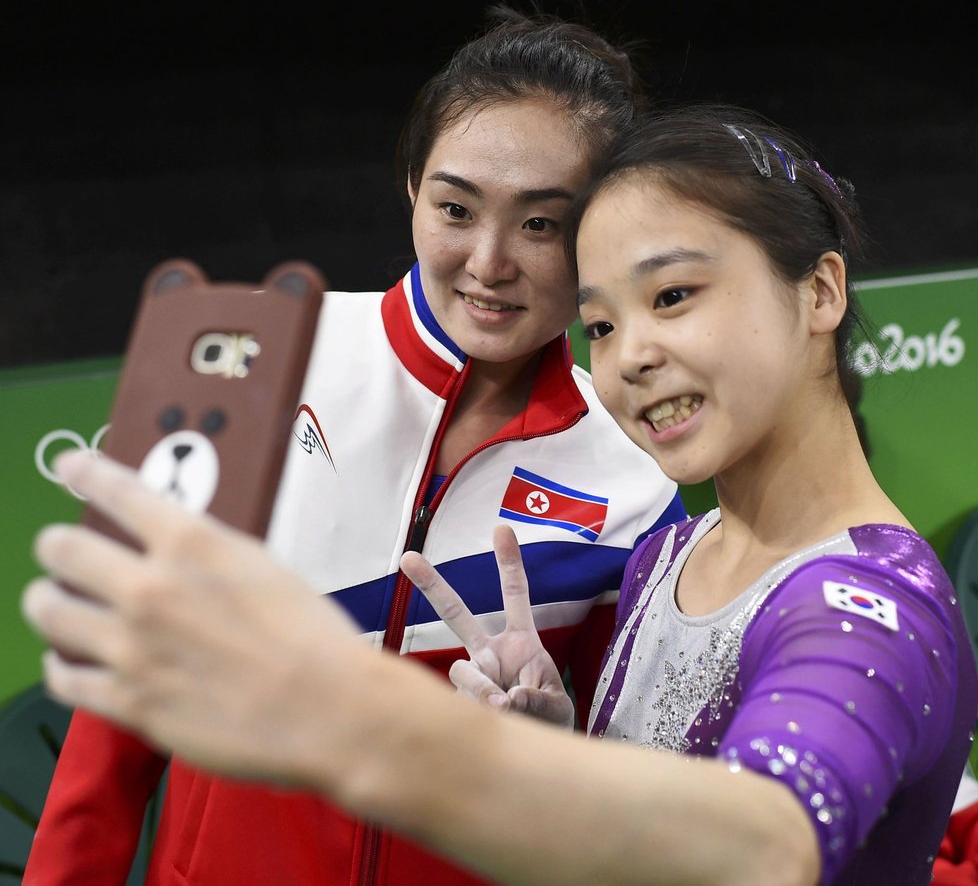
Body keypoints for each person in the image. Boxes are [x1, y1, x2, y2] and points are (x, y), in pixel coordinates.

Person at [23, 103, 974, 886]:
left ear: (820, 293)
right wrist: (561, 746)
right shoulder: (674, 557)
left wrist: (374, 729)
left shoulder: (870, 607)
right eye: (600, 323)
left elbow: (768, 841)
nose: (633, 353)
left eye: (674, 295)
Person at [22, 9, 684, 886]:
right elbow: (115, 711)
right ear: (411, 185)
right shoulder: (254, 356)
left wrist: (556, 753)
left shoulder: (636, 481)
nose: (487, 262)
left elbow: (638, 801)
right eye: (456, 207)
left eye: (541, 226)